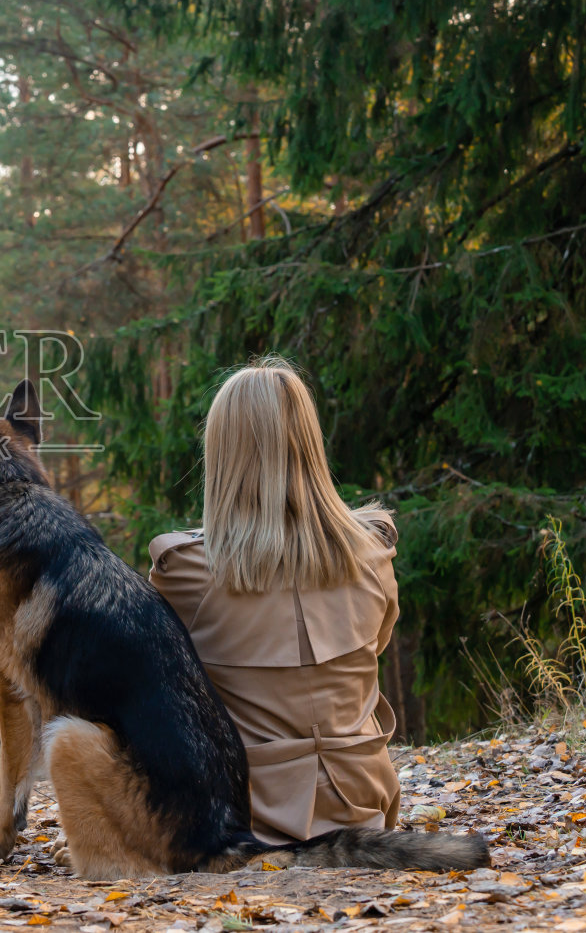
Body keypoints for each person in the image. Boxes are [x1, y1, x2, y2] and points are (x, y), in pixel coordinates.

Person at [148, 356, 402, 844]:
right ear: (309, 443)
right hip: (364, 802)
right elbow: (376, 647)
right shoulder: (375, 554)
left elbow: (158, 688)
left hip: (247, 814)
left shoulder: (185, 567)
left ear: (221, 452)